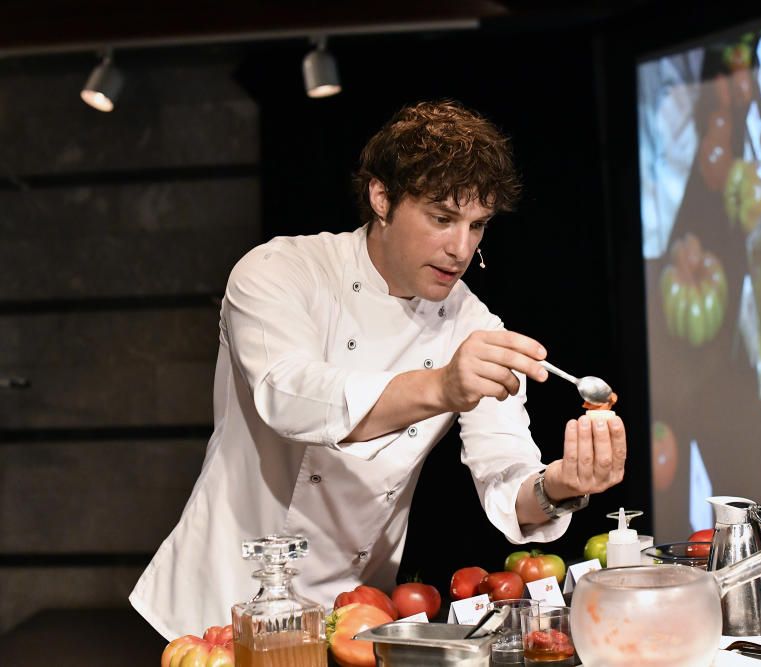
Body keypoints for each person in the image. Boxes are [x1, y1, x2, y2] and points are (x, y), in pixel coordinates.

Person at [129, 100, 628, 639]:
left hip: (351, 615)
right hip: (217, 606)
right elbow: (288, 397)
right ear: (382, 197)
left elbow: (506, 476)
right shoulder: (280, 271)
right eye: (441, 218)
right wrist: (441, 386)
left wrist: (560, 486)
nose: (460, 249)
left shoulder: (473, 323)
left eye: (477, 225)